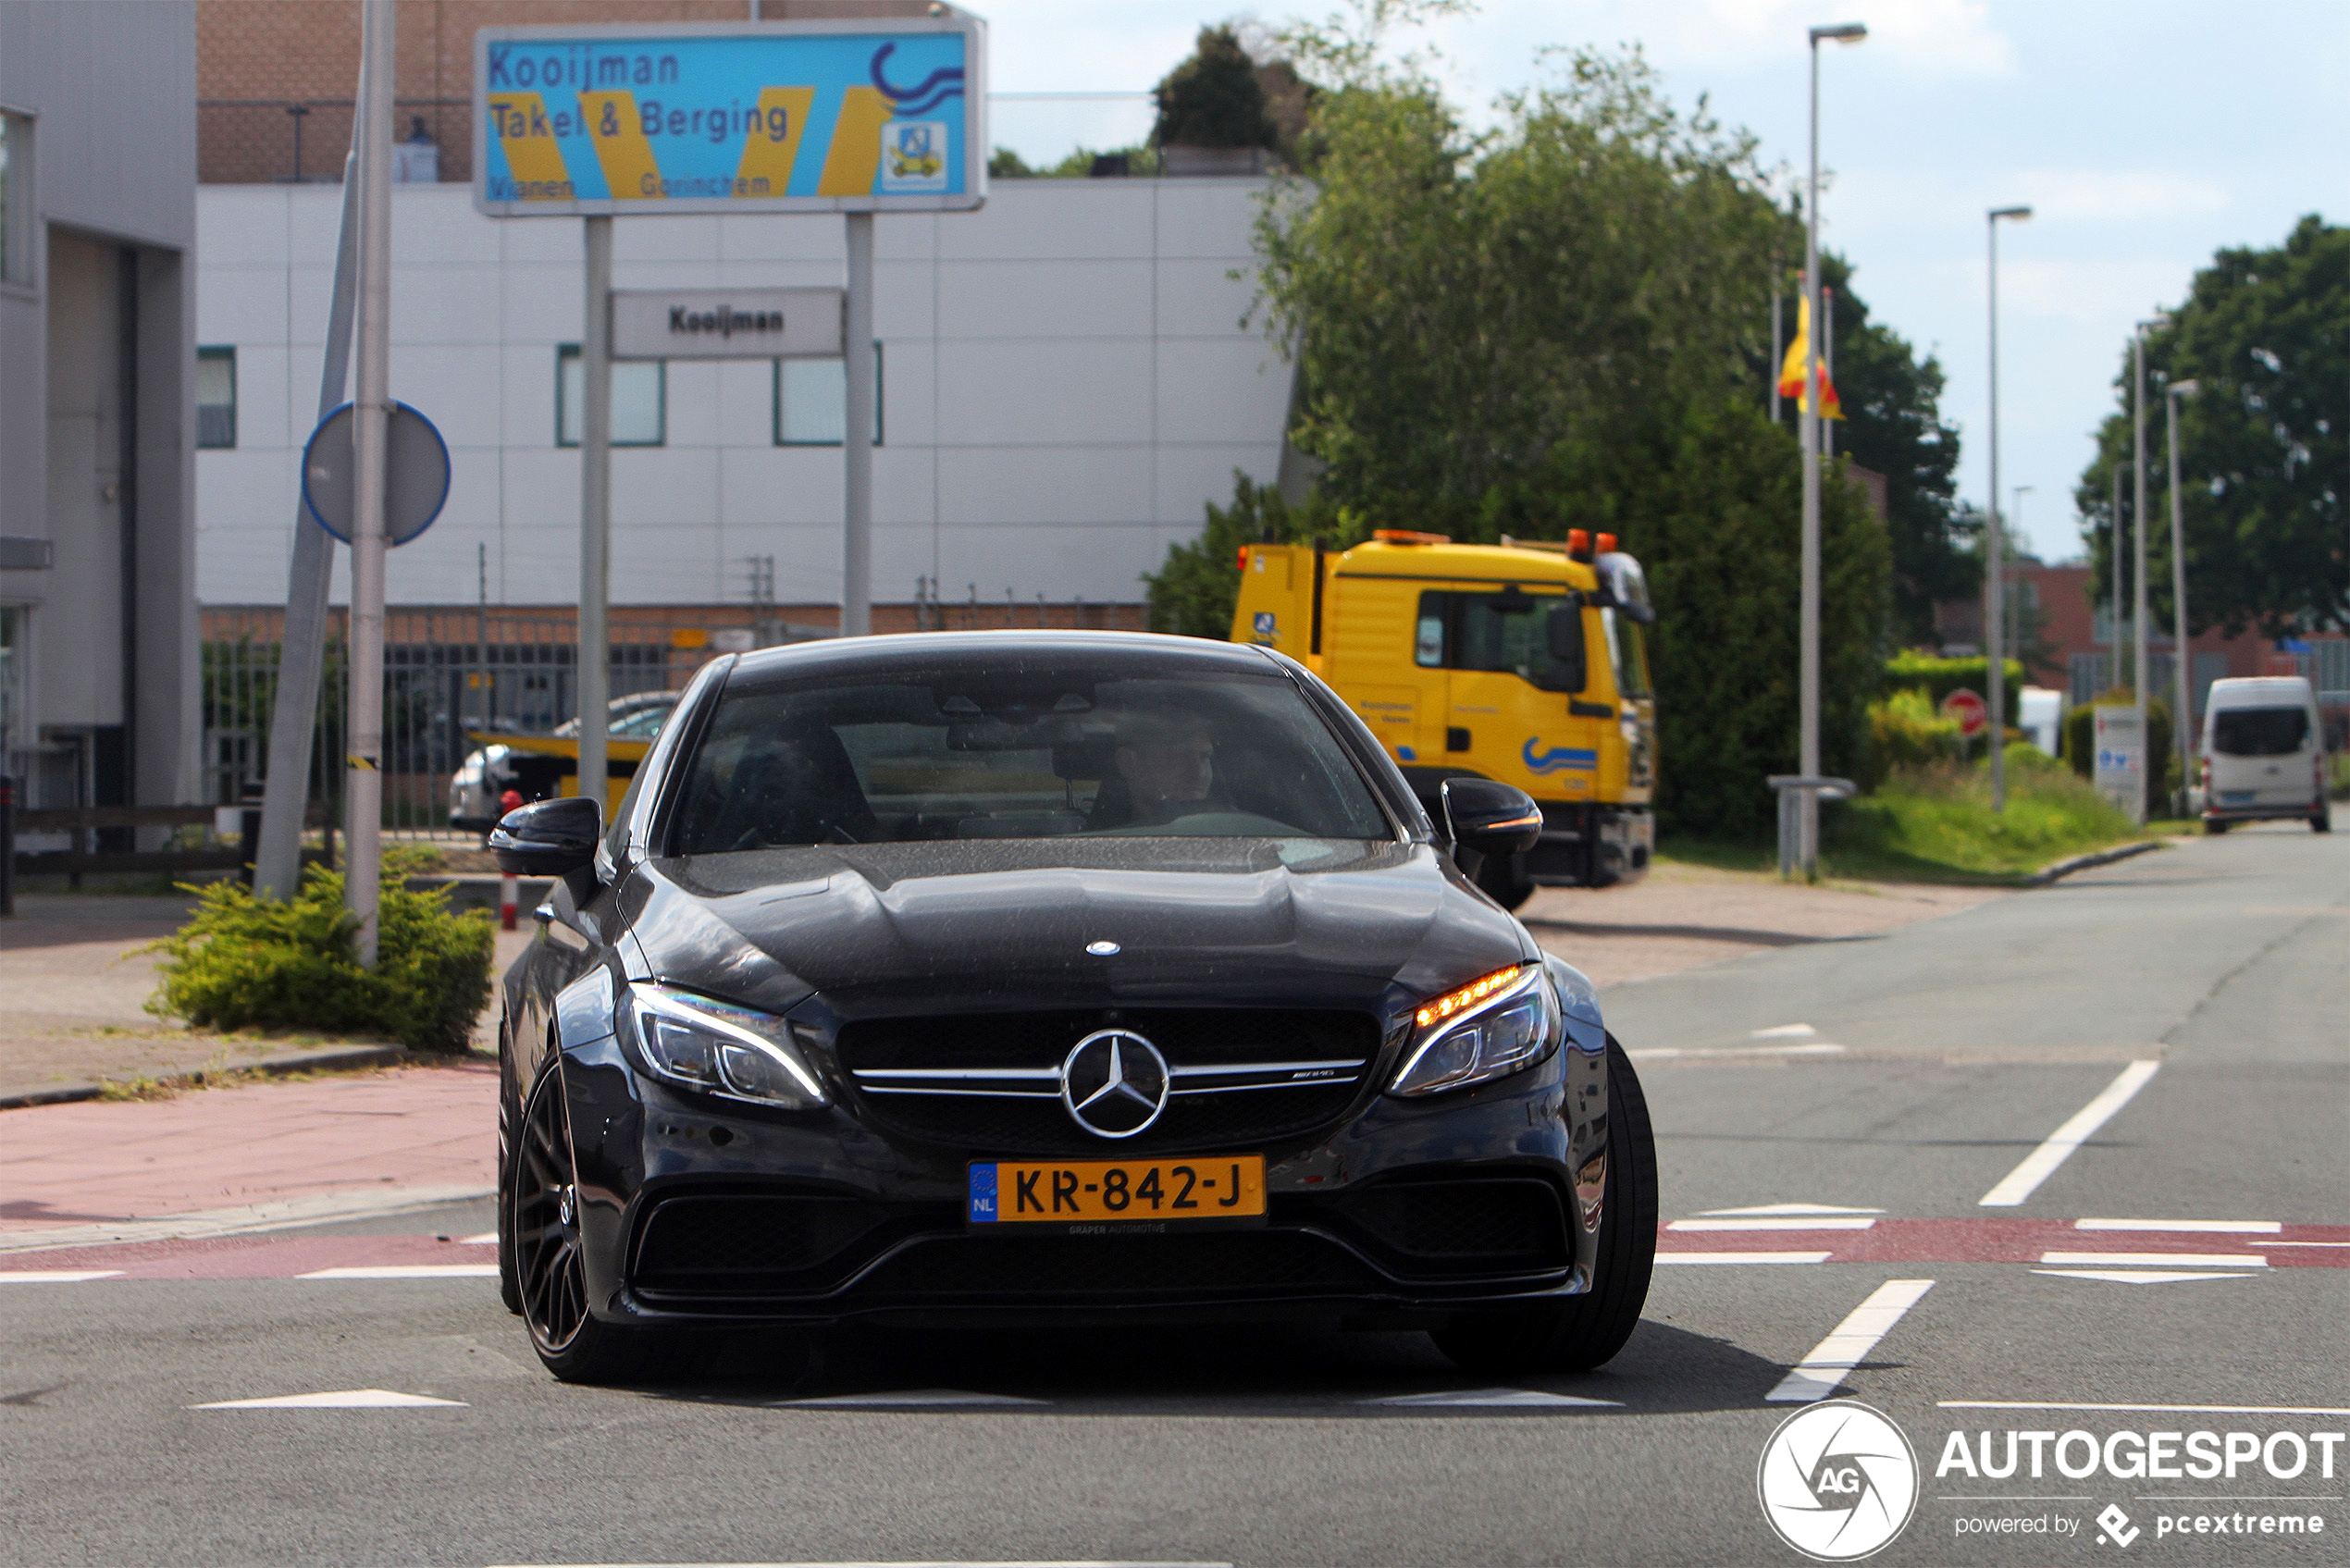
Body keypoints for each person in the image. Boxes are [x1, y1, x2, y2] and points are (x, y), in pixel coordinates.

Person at [1110, 709, 1217, 822]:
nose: (1199, 773)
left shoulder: (1228, 829)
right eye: (1180, 757)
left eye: (1205, 757)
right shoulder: (1100, 836)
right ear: (1128, 763)